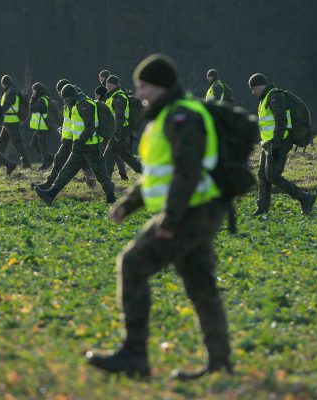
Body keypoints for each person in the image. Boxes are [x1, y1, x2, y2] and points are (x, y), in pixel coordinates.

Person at [86, 54, 232, 380]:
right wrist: (128, 204)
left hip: (190, 213)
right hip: (198, 210)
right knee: (200, 285)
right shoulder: (167, 115)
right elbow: (155, 175)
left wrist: (170, 219)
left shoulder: (181, 116)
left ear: (162, 86)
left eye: (144, 87)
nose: (140, 95)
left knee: (132, 264)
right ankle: (219, 363)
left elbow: (186, 171)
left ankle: (135, 354)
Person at [34, 84, 115, 204]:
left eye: (65, 98)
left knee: (101, 173)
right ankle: (50, 194)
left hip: (90, 146)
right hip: (80, 147)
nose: (64, 101)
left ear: (71, 96)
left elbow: (89, 128)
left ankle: (111, 197)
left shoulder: (84, 105)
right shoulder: (77, 104)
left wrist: (79, 142)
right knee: (66, 172)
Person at [249, 73, 316, 216]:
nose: (252, 92)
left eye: (253, 88)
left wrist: (276, 144)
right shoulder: (264, 99)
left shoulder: (275, 97)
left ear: (260, 85)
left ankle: (305, 198)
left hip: (279, 142)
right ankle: (262, 208)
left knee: (273, 176)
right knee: (263, 175)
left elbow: (282, 122)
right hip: (267, 143)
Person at [31, 79, 96, 190]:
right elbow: (70, 120)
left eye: (59, 92)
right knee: (61, 160)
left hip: (75, 139)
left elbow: (80, 120)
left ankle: (51, 185)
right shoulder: (71, 99)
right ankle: (50, 184)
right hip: (69, 138)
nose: (59, 95)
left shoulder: (75, 101)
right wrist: (63, 129)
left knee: (68, 161)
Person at [104, 75, 142, 179]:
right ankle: (144, 171)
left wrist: (117, 133)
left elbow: (119, 117)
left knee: (108, 155)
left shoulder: (119, 97)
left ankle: (106, 180)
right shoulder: (112, 96)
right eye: (107, 83)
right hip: (118, 130)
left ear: (115, 84)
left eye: (109, 83)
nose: (107, 85)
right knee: (125, 155)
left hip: (119, 131)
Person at [0, 74, 31, 168]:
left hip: (11, 122)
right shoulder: (14, 91)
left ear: (3, 84)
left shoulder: (10, 93)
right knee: (1, 142)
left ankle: (26, 162)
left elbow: (5, 107)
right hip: (9, 122)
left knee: (17, 143)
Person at [95, 85, 127, 179]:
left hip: (108, 132)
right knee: (113, 154)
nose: (96, 96)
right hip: (108, 132)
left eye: (97, 95)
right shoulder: (104, 102)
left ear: (101, 95)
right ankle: (122, 173)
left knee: (109, 154)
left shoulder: (104, 103)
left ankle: (110, 175)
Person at [28, 82, 54, 170]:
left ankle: (45, 164)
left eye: (34, 90)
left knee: (42, 146)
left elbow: (32, 108)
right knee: (34, 144)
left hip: (42, 127)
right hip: (40, 127)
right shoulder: (43, 98)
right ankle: (49, 158)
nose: (33, 92)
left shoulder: (41, 100)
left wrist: (32, 98)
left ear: (37, 90)